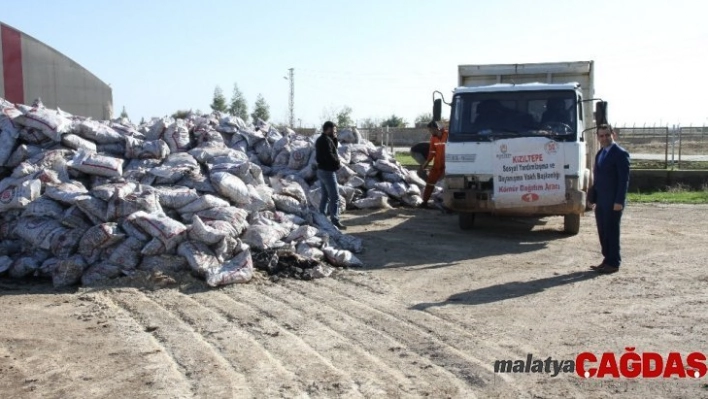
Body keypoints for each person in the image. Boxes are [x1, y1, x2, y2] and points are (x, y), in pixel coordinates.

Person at [588, 124, 630, 274]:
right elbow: (598, 178)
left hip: (613, 202)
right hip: (601, 201)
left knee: (612, 232)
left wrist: (619, 201)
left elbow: (623, 180)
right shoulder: (600, 153)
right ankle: (606, 260)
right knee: (603, 231)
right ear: (598, 137)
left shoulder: (620, 154)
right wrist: (594, 198)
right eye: (601, 136)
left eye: (607, 135)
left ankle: (613, 262)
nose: (604, 138)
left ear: (613, 134)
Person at [315, 121, 346, 230]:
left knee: (325, 196)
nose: (335, 132)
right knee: (335, 197)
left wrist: (335, 139)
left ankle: (321, 219)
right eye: (334, 130)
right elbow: (330, 155)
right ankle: (335, 221)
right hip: (327, 171)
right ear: (328, 129)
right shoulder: (325, 141)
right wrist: (337, 164)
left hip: (321, 170)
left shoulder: (322, 139)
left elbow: (333, 149)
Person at [418, 121, 449, 208]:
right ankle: (425, 202)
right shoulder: (433, 138)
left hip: (448, 166)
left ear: (436, 129)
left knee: (447, 185)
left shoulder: (448, 135)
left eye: (431, 130)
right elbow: (431, 154)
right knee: (430, 183)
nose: (430, 132)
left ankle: (447, 204)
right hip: (437, 165)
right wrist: (424, 166)